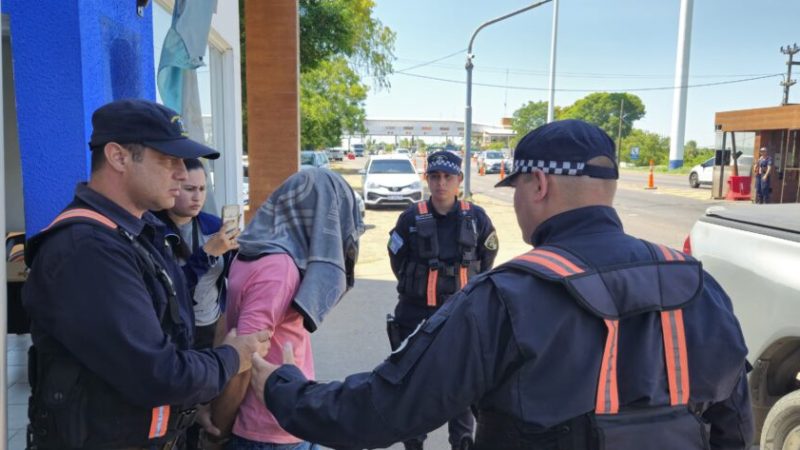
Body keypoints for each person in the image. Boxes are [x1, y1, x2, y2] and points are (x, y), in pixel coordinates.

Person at [249, 120, 754, 450]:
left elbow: (380, 412)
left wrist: (281, 386)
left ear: (539, 185)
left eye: (516, 188)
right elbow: (734, 426)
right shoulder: (697, 285)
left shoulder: (507, 298)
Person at [23, 98, 270, 450]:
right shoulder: (87, 250)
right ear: (118, 157)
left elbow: (167, 322)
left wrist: (185, 409)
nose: (183, 174)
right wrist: (233, 357)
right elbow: (159, 374)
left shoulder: (140, 231)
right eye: (168, 160)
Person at [202, 168, 364, 450]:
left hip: (286, 416)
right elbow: (246, 357)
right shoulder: (278, 268)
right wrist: (218, 430)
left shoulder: (251, 250)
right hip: (269, 430)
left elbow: (225, 324)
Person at [386, 150, 498, 450]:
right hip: (415, 316)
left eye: (448, 177)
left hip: (462, 317)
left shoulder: (476, 218)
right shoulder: (410, 218)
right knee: (411, 388)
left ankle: (461, 444)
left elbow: (486, 261)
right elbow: (398, 261)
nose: (441, 183)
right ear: (427, 179)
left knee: (460, 390)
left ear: (459, 180)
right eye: (434, 176)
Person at [154, 158, 239, 350]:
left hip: (213, 325)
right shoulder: (153, 230)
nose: (197, 198)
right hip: (173, 332)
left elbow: (232, 276)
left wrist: (242, 255)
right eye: (190, 189)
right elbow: (169, 288)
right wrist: (207, 254)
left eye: (202, 189)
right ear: (172, 187)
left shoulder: (214, 226)